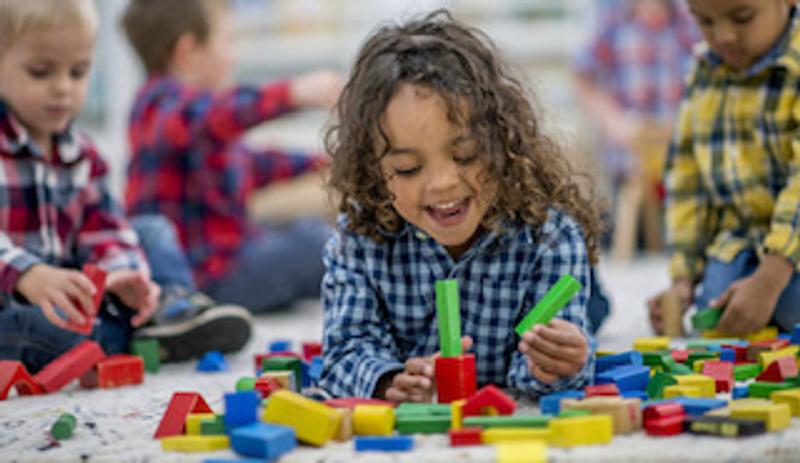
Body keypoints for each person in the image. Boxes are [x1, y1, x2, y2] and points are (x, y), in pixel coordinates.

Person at [317, 10, 609, 401]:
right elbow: (345, 352)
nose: (442, 183)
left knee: (590, 311)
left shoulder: (551, 236)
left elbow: (544, 380)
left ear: (503, 142)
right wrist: (389, 381)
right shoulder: (358, 237)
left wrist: (558, 363)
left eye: (467, 155)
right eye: (408, 168)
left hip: (538, 257)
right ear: (372, 170)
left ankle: (597, 300)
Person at [0, 0, 250, 372]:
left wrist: (123, 272)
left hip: (77, 295)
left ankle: (167, 308)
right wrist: (28, 275)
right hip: (16, 305)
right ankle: (124, 338)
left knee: (151, 228)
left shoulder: (82, 153)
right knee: (40, 330)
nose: (63, 88)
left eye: (79, 72)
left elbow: (104, 227)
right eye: (41, 72)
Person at [122, 0, 344, 313]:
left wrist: (325, 161)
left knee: (305, 230)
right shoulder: (159, 106)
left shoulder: (196, 122)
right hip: (207, 277)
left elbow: (252, 164)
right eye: (227, 41)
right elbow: (217, 114)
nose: (234, 54)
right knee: (320, 244)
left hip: (232, 256)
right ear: (188, 51)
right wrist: (292, 93)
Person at [648, 0, 800, 337]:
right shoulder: (704, 71)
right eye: (704, 21)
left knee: (789, 305)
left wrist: (771, 277)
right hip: (742, 239)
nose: (725, 36)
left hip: (791, 244)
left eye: (742, 18)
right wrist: (682, 282)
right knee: (715, 312)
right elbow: (688, 184)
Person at [574, 0, 697, 258]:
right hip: (629, 156)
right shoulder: (613, 21)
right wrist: (614, 122)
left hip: (683, 155)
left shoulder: (689, 20)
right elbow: (583, 77)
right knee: (631, 226)